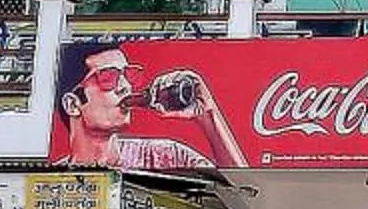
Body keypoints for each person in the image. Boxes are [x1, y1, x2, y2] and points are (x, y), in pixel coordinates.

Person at [55, 46, 241, 171]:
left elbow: (248, 200)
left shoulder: (169, 157)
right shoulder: (52, 182)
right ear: (73, 105)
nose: (125, 86)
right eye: (108, 78)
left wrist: (207, 114)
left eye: (129, 75)